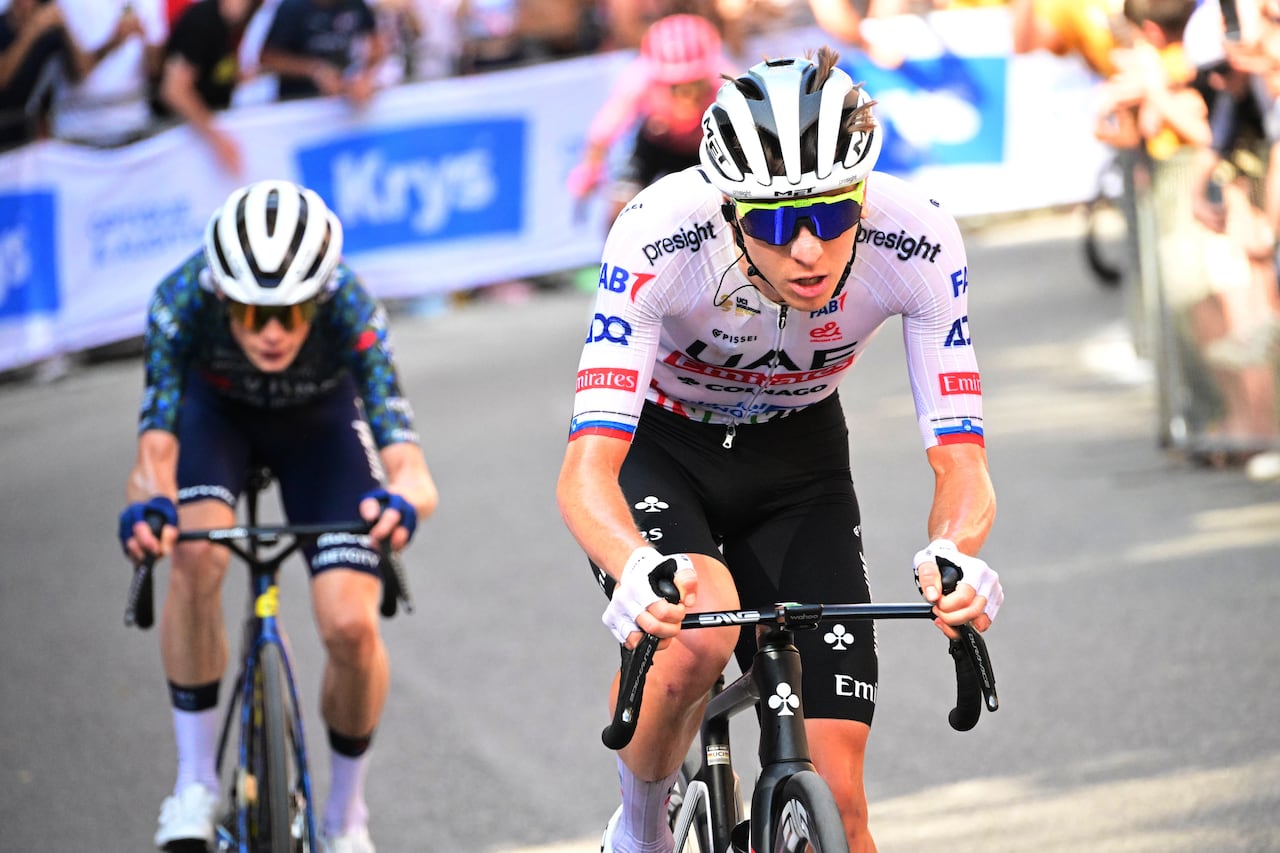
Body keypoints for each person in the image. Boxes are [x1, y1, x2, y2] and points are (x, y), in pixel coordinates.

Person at [555, 48, 1002, 853]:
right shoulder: (658, 235)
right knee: (698, 632)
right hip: (662, 447)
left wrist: (956, 552)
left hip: (801, 462)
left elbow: (960, 455)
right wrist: (629, 565)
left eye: (831, 216)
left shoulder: (920, 240)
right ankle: (641, 828)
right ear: (730, 214)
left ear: (863, 197)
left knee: (843, 802)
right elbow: (588, 464)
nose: (806, 249)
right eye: (771, 222)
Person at [118, 179, 438, 853]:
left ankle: (346, 813)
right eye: (250, 310)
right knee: (193, 551)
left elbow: (408, 461)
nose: (269, 331)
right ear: (219, 293)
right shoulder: (180, 298)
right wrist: (148, 505)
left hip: (318, 425)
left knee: (351, 625)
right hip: (218, 419)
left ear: (317, 299)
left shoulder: (351, 304)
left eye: (290, 314)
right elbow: (155, 447)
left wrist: (404, 503)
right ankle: (196, 781)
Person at [566, 13, 728, 230]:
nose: (686, 96)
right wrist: (589, 172)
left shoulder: (725, 84)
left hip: (705, 150)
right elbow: (603, 133)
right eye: (676, 86)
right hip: (654, 145)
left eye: (695, 84)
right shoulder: (639, 80)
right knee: (619, 213)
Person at [150, 0, 261, 177]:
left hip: (206, 133)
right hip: (178, 141)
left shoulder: (238, 23)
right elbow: (173, 90)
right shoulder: (201, 20)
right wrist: (218, 139)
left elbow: (214, 72)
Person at [258, 0, 387, 106]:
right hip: (299, 104)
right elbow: (267, 58)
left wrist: (365, 75)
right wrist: (313, 69)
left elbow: (377, 45)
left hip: (345, 102)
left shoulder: (355, 4)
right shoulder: (292, 7)